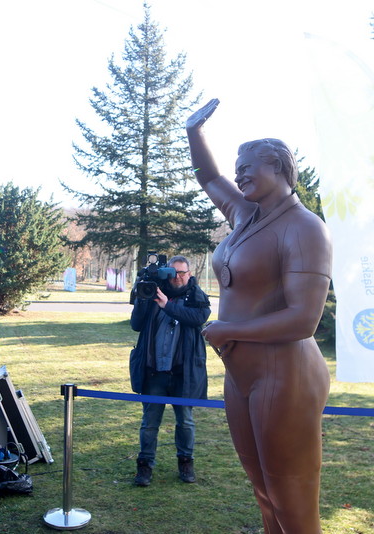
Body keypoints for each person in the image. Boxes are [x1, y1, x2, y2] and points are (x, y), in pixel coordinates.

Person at [187, 99, 332, 534]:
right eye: (238, 166)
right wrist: (194, 133)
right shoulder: (246, 216)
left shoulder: (304, 228)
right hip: (241, 373)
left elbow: (303, 320)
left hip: (286, 375)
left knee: (293, 500)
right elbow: (209, 177)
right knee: (264, 493)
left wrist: (229, 330)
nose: (239, 174)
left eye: (249, 166)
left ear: (281, 169)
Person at [129, 255, 210, 486]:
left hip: (182, 372)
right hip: (155, 371)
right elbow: (136, 325)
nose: (178, 277)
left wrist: (168, 306)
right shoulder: (152, 292)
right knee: (149, 423)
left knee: (185, 422)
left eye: (183, 272)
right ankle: (144, 467)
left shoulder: (196, 296)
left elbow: (198, 318)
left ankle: (186, 462)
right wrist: (143, 299)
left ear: (190, 273)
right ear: (166, 273)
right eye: (173, 273)